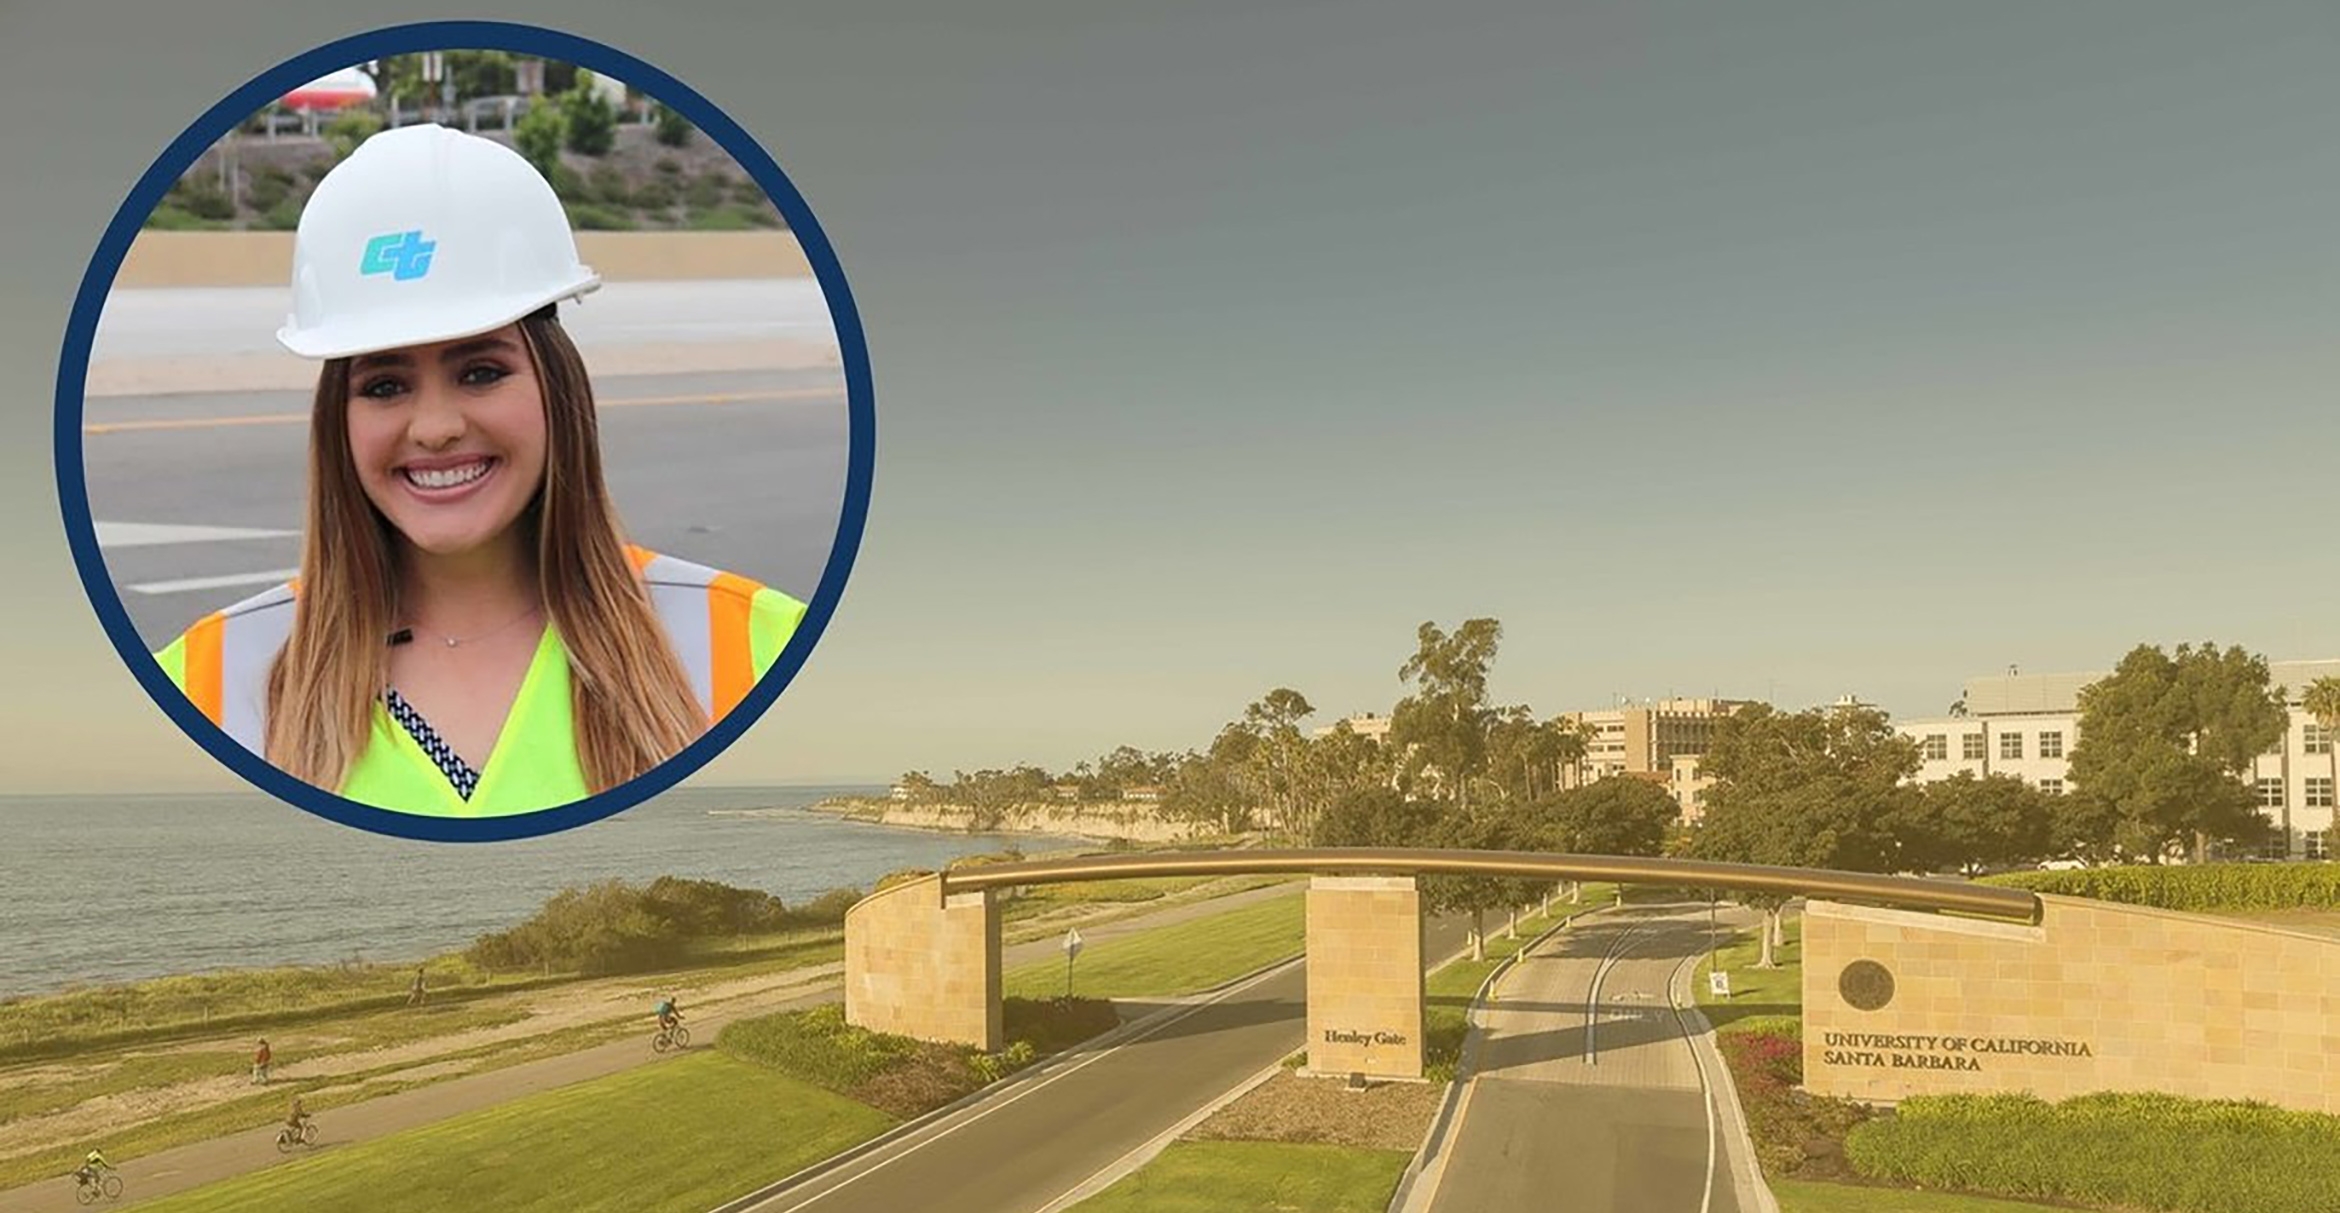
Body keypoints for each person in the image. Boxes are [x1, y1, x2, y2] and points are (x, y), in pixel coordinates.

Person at [152, 124, 806, 817]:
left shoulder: (757, 646)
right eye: (383, 385)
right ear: (335, 420)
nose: (435, 427)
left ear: (558, 388)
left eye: (481, 371)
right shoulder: (204, 682)